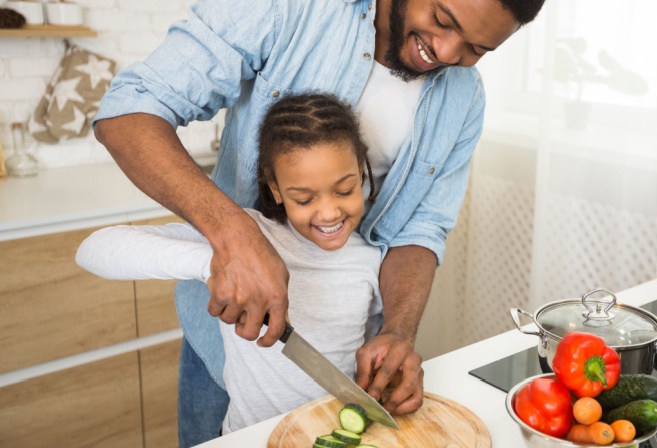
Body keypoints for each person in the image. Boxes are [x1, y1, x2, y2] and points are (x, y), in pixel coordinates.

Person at [91, 0, 545, 445]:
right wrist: (235, 238)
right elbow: (129, 110)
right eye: (443, 20)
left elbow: (418, 230)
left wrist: (398, 331)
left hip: (347, 364)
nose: (447, 54)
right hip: (225, 345)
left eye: (477, 49)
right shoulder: (289, 7)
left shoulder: (464, 97)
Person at [79, 93, 383, 433]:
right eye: (304, 198)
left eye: (344, 190)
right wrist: (216, 264)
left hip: (332, 435)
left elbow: (368, 352)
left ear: (361, 172)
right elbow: (93, 249)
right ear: (276, 189)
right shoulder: (245, 241)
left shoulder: (372, 260)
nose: (329, 213)